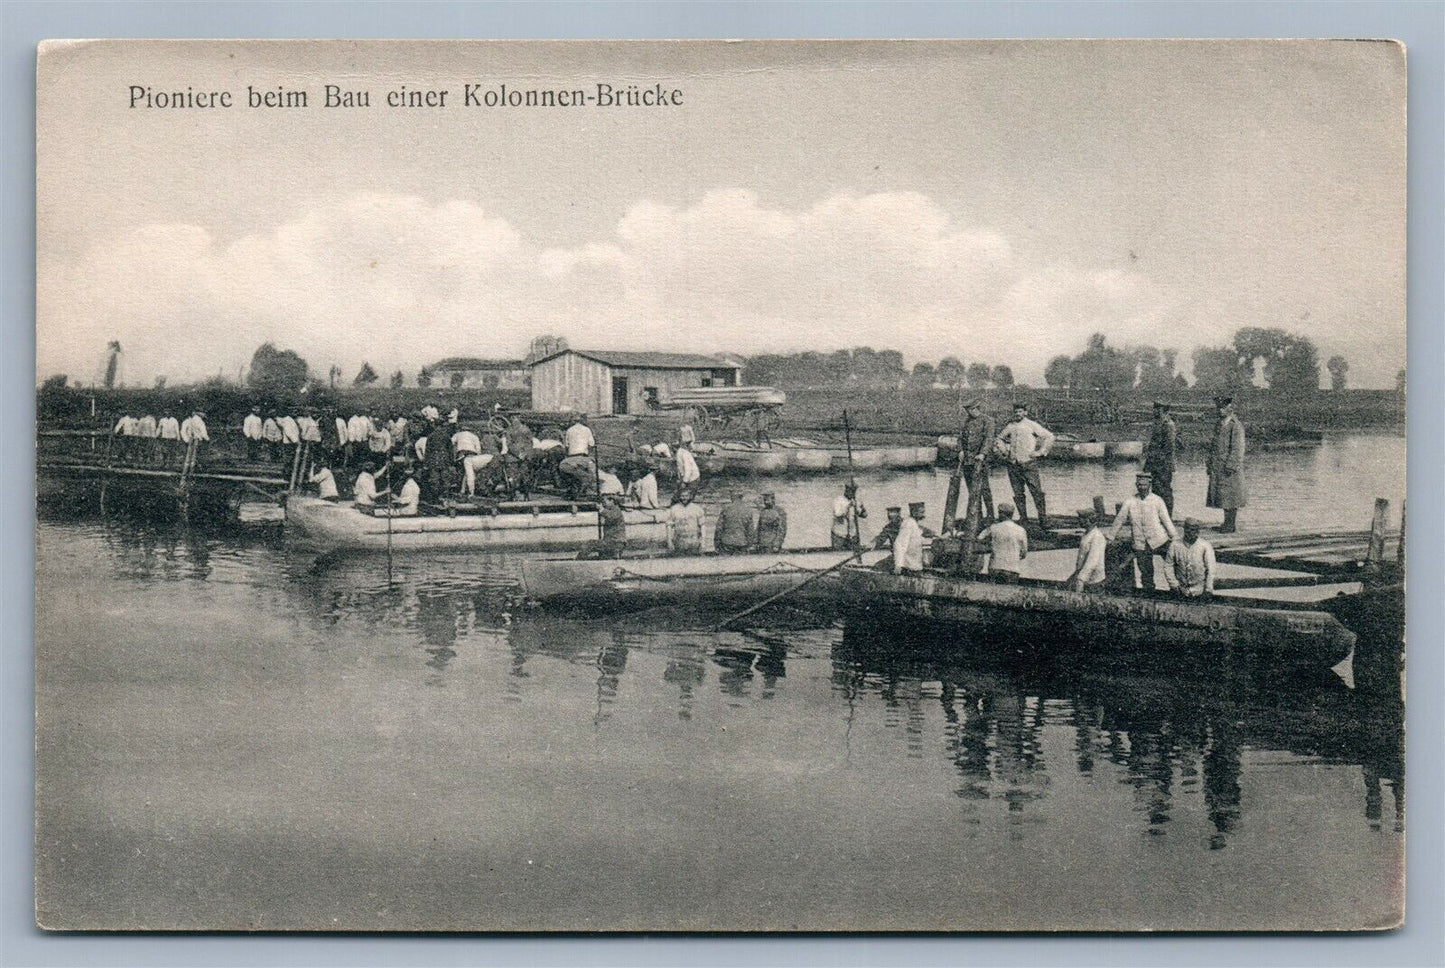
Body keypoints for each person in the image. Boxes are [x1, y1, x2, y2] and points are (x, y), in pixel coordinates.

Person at [1109, 471, 1177, 592]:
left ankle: (1176, 590)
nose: (1141, 488)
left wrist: (1175, 537)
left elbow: (1166, 520)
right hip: (1140, 543)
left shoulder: (1157, 500)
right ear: (1136, 485)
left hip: (1159, 540)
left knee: (1174, 564)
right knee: (1146, 573)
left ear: (1149, 485)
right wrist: (1110, 536)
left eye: (1144, 485)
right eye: (1139, 485)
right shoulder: (1130, 501)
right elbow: (1120, 519)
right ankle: (1149, 594)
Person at [995, 402, 1054, 530]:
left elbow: (1049, 436)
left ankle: (1043, 519)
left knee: (1036, 492)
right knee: (1018, 493)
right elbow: (999, 438)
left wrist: (1040, 452)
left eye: (1020, 411)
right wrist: (1005, 450)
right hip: (1013, 464)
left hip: (1028, 463)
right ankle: (1023, 519)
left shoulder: (1031, 425)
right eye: (1016, 412)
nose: (1017, 414)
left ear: (1025, 412)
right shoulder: (1010, 426)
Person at [1207, 396, 1247, 533]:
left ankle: (1230, 525)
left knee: (1232, 496)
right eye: (1218, 407)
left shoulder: (1235, 425)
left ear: (1230, 408)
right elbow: (1213, 446)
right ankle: (1226, 523)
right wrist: (1209, 463)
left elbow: (1238, 448)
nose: (1219, 410)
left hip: (1230, 468)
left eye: (1222, 407)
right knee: (1223, 496)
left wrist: (1231, 466)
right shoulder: (1219, 424)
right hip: (1218, 465)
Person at [958, 398, 996, 520]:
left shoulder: (988, 420)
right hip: (967, 461)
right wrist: (960, 450)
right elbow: (960, 438)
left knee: (984, 489)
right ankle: (977, 516)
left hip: (980, 461)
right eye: (968, 411)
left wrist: (983, 454)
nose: (969, 413)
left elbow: (989, 439)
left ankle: (990, 516)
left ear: (977, 408)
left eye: (971, 410)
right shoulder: (966, 422)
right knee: (972, 491)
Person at [1164, 518, 1217, 598]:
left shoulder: (1205, 546)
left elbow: (1211, 569)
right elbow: (1168, 565)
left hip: (1199, 590)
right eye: (1187, 529)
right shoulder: (1175, 545)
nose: (1190, 532)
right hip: (1180, 589)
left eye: (1193, 530)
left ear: (1197, 531)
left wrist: (1208, 589)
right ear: (1184, 530)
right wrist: (1174, 584)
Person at [1142, 401, 1178, 514]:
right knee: (1156, 490)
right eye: (1155, 408)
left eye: (1158, 409)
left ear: (1165, 411)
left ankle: (1167, 516)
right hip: (1156, 464)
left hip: (1163, 465)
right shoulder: (1159, 423)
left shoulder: (1169, 425)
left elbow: (1169, 447)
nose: (1155, 411)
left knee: (1165, 490)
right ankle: (1159, 515)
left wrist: (1158, 462)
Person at [977, 503, 1028, 583]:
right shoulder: (1021, 530)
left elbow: (979, 538)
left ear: (1002, 514)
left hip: (995, 566)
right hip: (1013, 568)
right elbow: (1024, 553)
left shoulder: (993, 527)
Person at [1067, 509, 1109, 592]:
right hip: (1084, 576)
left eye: (1082, 518)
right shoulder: (1087, 534)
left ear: (1090, 520)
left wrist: (1081, 579)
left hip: (1093, 580)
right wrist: (1076, 573)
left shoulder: (1097, 536)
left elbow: (1092, 561)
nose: (1079, 520)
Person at [667, 489, 705, 555]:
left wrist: (703, 542)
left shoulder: (697, 509)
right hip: (679, 543)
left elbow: (702, 526)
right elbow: (669, 526)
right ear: (679, 497)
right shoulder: (674, 509)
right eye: (682, 496)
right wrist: (669, 542)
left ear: (690, 496)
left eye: (686, 496)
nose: (684, 498)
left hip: (694, 543)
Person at [891, 502, 927, 575]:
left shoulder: (915, 525)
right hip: (908, 568)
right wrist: (898, 564)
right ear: (914, 512)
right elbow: (900, 544)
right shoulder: (908, 524)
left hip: (915, 566)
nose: (923, 515)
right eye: (921, 512)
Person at [831, 481, 868, 550]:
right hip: (839, 534)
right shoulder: (838, 500)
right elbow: (838, 515)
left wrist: (862, 508)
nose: (853, 493)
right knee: (838, 554)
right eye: (851, 491)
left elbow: (864, 515)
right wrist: (848, 506)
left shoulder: (856, 501)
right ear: (846, 490)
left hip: (852, 535)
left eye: (854, 491)